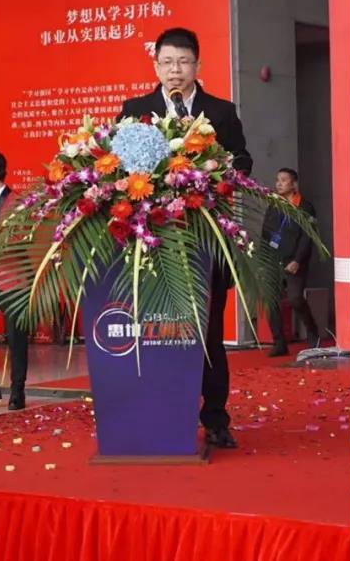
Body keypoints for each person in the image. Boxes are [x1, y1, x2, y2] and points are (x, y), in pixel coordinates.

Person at [119, 27, 253, 450]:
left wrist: (217, 167)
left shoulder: (221, 112)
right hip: (155, 240)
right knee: (158, 329)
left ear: (197, 65)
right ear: (155, 66)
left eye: (183, 62)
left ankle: (215, 418)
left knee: (209, 334)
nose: (175, 70)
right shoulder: (135, 110)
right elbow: (118, 165)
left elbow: (243, 160)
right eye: (167, 62)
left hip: (205, 240)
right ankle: (162, 414)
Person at [261, 167, 320, 356]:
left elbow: (307, 237)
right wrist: (263, 259)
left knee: (295, 298)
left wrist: (297, 260)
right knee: (271, 300)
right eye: (277, 180)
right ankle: (279, 343)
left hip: (294, 260)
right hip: (273, 259)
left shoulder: (305, 206)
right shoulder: (274, 205)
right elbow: (265, 232)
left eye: (284, 180)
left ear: (294, 184)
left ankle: (313, 332)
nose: (279, 184)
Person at [0, 150, 28, 410]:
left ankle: (18, 391)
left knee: (16, 340)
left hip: (13, 279)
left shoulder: (17, 202)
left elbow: (20, 241)